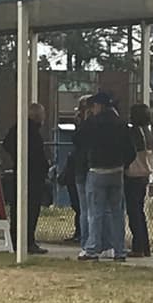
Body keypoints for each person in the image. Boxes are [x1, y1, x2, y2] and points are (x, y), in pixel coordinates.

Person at [74, 92, 135, 261]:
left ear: (98, 106)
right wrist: (124, 164)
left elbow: (78, 140)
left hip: (97, 170)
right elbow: (131, 150)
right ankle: (119, 250)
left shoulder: (92, 123)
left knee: (95, 212)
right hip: (117, 170)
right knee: (116, 212)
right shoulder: (121, 123)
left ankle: (92, 248)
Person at [3, 103, 50, 255]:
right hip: (32, 175)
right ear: (37, 116)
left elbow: (7, 143)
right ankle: (27, 241)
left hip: (23, 172)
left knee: (19, 207)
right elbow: (36, 153)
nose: (44, 117)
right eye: (42, 114)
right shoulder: (31, 131)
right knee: (30, 208)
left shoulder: (20, 128)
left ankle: (17, 238)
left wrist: (18, 158)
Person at [61, 95, 92, 244]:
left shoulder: (91, 124)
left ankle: (86, 237)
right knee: (79, 204)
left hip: (87, 167)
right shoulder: (81, 123)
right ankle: (80, 233)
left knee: (86, 206)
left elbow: (80, 140)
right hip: (78, 166)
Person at [125, 104, 153, 258]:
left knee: (134, 212)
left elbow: (131, 151)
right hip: (144, 173)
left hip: (133, 174)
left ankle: (138, 246)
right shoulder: (148, 132)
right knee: (139, 211)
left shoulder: (134, 132)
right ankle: (145, 246)